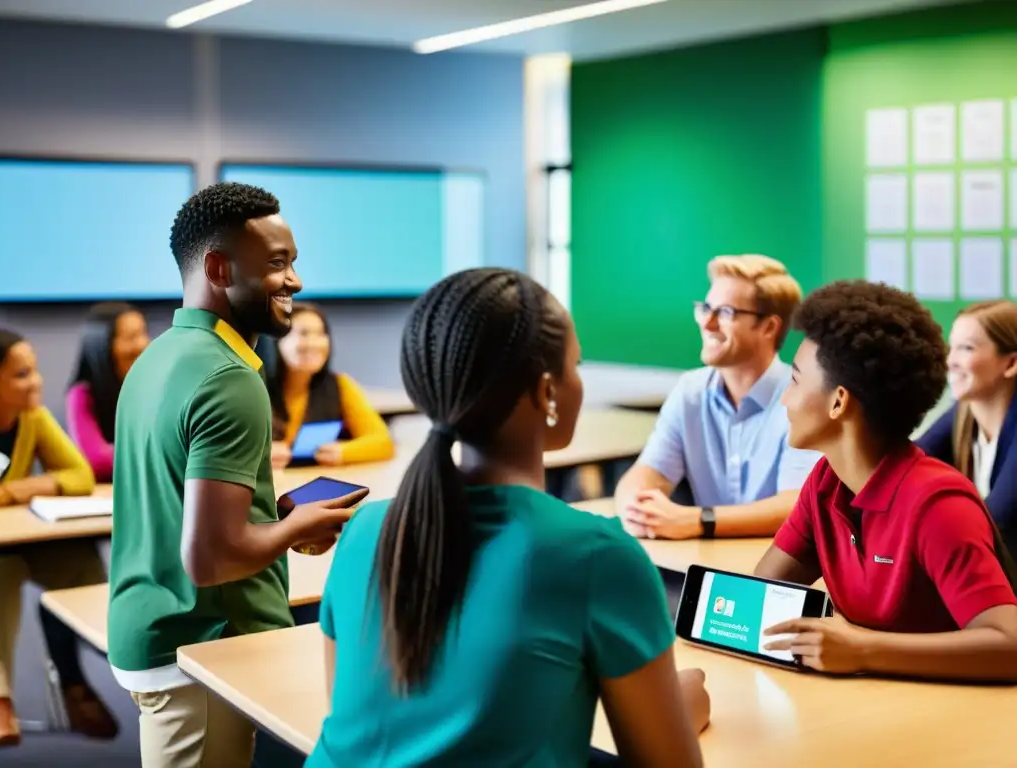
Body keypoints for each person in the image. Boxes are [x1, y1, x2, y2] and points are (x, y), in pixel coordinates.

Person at [306, 268, 710, 768]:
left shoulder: (364, 530)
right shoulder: (596, 554)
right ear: (547, 392)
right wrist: (680, 709)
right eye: (576, 365)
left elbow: (358, 726)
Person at [107, 182, 364, 768]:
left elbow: (184, 511)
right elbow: (213, 557)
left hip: (155, 620)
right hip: (199, 647)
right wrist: (296, 530)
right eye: (277, 264)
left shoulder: (160, 356)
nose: (295, 281)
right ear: (219, 268)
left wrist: (278, 521)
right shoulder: (230, 377)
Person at [755, 281, 1017, 683]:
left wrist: (862, 649)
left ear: (839, 401)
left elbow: (1010, 646)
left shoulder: (938, 505)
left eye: (794, 381)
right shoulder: (826, 482)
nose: (784, 400)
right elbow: (763, 595)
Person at [616, 254, 819, 540]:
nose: (707, 323)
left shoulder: (801, 398)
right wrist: (636, 509)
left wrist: (700, 520)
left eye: (725, 312)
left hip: (778, 572)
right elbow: (647, 474)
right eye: (705, 308)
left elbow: (797, 505)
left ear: (769, 327)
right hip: (707, 565)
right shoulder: (690, 391)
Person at [0, 329, 116, 747]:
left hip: (28, 540)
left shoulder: (32, 417)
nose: (37, 382)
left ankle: (105, 668)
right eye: (22, 374)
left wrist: (15, 491)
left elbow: (79, 475)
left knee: (80, 558)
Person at [916, 300, 1017, 560]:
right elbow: (905, 467)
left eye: (967, 348)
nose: (951, 361)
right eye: (952, 348)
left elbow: (998, 525)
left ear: (1011, 363)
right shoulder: (963, 413)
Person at [258, 302, 394, 469]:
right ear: (277, 342)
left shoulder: (339, 385)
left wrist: (343, 452)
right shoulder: (251, 387)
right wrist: (257, 456)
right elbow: (220, 449)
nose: (314, 343)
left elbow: (383, 442)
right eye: (303, 333)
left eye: (321, 334)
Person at [65, 302, 150, 482]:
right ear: (103, 346)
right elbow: (97, 460)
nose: (142, 344)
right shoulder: (82, 394)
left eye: (143, 333)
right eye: (132, 337)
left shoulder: (154, 387)